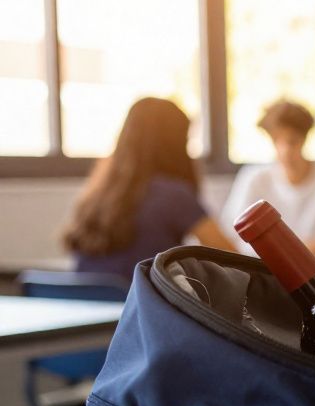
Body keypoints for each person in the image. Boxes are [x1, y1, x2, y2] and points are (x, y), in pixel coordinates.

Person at [63, 97, 235, 281]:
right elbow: (232, 259)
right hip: (137, 306)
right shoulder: (173, 195)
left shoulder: (98, 194)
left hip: (87, 305)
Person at [220, 99, 315, 258]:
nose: (285, 150)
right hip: (262, 271)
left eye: (292, 141)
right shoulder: (253, 178)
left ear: (305, 139)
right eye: (276, 140)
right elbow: (233, 238)